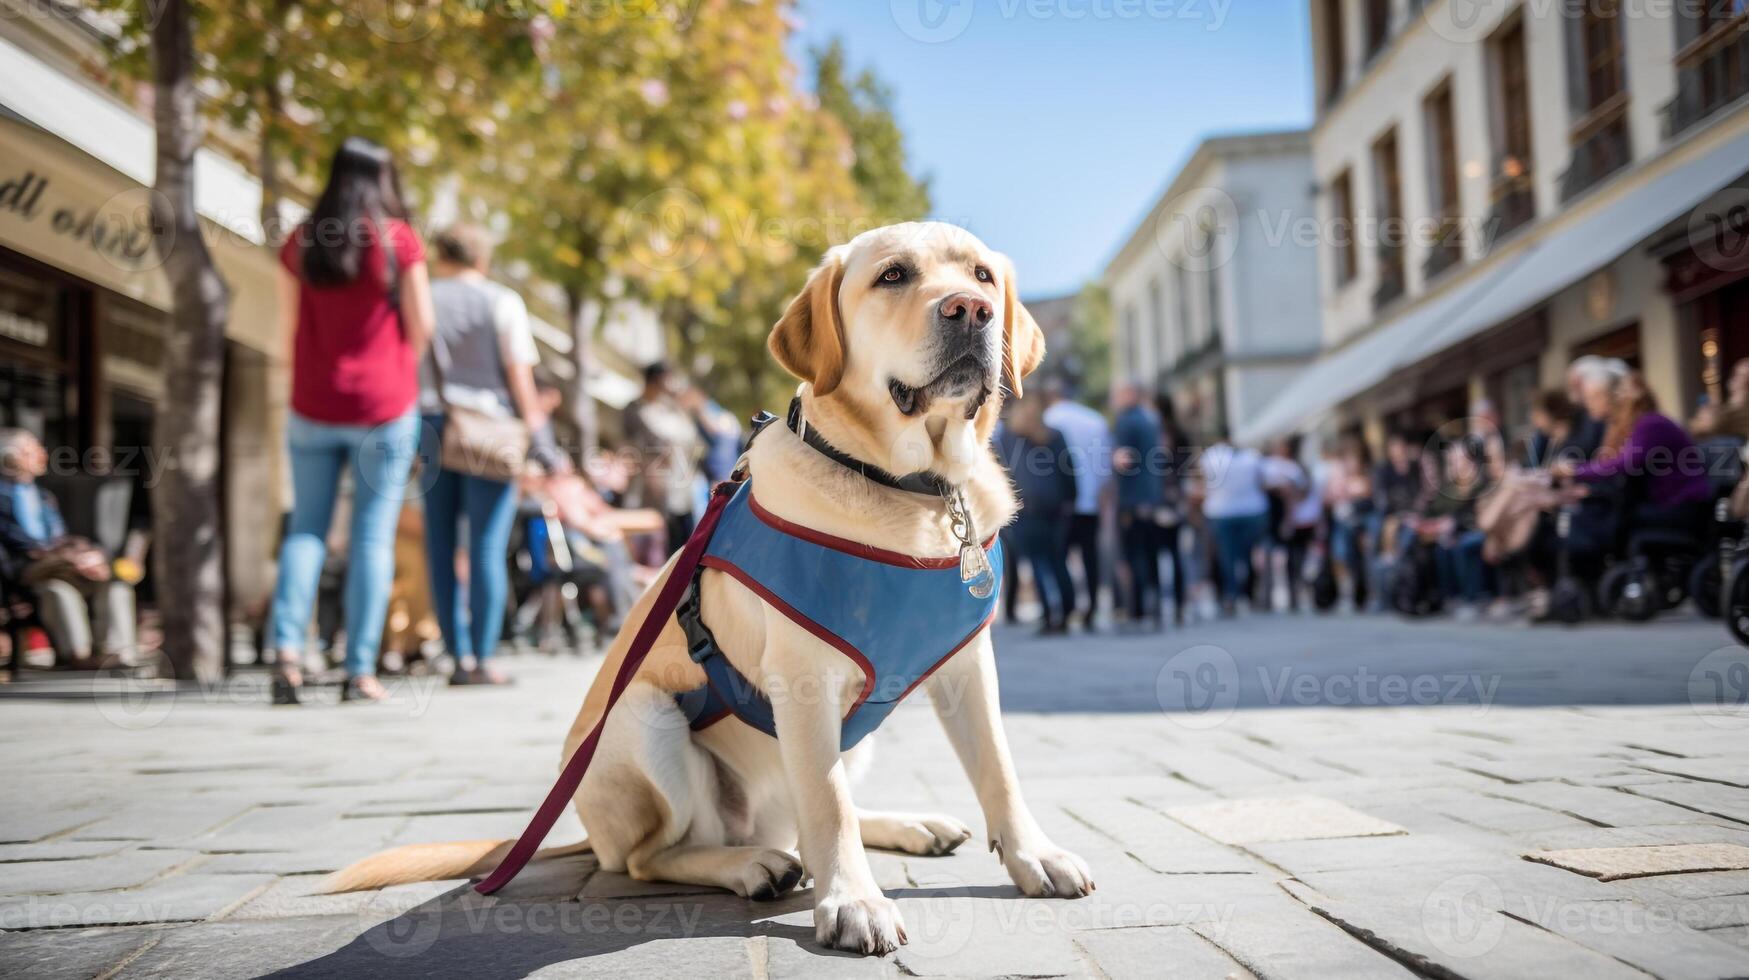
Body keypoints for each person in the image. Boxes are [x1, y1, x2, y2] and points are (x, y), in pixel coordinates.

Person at [269, 138, 432, 705]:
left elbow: (290, 327)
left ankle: (287, 653)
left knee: (306, 529)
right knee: (370, 536)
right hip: (383, 408)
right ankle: (359, 670)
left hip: (311, 403)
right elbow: (422, 326)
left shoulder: (301, 241)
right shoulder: (398, 241)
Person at [418, 223, 557, 687]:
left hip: (430, 425)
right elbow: (520, 378)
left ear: (441, 255)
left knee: (439, 544)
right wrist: (541, 437)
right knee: (486, 545)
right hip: (488, 431)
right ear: (482, 259)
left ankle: (456, 655)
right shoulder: (501, 302)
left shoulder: (420, 296)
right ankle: (481, 657)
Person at [0, 430, 136, 666]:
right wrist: (71, 557)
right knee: (71, 578)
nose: (43, 455)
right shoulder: (2, 494)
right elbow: (13, 538)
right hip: (29, 565)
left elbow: (60, 535)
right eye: (33, 450)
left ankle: (116, 653)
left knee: (111, 587)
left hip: (59, 568)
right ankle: (78, 656)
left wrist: (85, 552)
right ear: (12, 458)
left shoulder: (43, 495)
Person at [1554, 370, 1712, 535]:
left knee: (1611, 520)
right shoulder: (1645, 423)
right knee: (1604, 516)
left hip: (1683, 507)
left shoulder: (1650, 423)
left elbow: (1625, 463)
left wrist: (1574, 470)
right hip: (1673, 503)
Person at [997, 396, 1078, 634]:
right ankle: (1067, 609)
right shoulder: (1054, 435)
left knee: (1038, 562)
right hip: (1055, 506)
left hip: (1027, 507)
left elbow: (1004, 474)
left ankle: (1049, 612)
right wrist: (1071, 498)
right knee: (1058, 560)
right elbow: (1068, 469)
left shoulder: (1008, 438)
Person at [1041, 376, 1112, 628]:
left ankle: (1066, 605)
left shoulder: (1047, 421)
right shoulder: (1094, 420)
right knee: (1090, 556)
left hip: (1060, 503)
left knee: (1058, 557)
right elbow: (1105, 467)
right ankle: (1091, 607)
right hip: (1090, 502)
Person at [624, 361, 705, 551]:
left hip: (681, 488)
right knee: (657, 546)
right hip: (651, 489)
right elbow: (631, 447)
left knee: (682, 544)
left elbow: (690, 438)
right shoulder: (634, 409)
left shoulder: (672, 409)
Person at [1418, 436, 1494, 618]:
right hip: (1459, 531)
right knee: (1442, 547)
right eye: (1452, 460)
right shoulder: (1451, 486)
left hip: (1480, 531)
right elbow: (1435, 510)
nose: (1455, 464)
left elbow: (1473, 516)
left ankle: (1473, 598)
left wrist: (1452, 524)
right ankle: (1451, 597)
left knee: (1461, 544)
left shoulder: (1482, 482)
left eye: (1459, 460)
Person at [1197, 429, 1270, 616]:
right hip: (1252, 510)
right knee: (1248, 555)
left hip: (1221, 512)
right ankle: (1249, 593)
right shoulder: (1252, 456)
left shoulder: (1210, 456)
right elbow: (1262, 483)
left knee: (1227, 556)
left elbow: (1203, 484)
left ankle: (1231, 594)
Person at [1111, 381, 1164, 629]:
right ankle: (1155, 606)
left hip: (1131, 499)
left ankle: (1138, 609)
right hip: (1150, 497)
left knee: (1134, 556)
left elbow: (1124, 460)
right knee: (1151, 554)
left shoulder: (1127, 421)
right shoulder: (1151, 419)